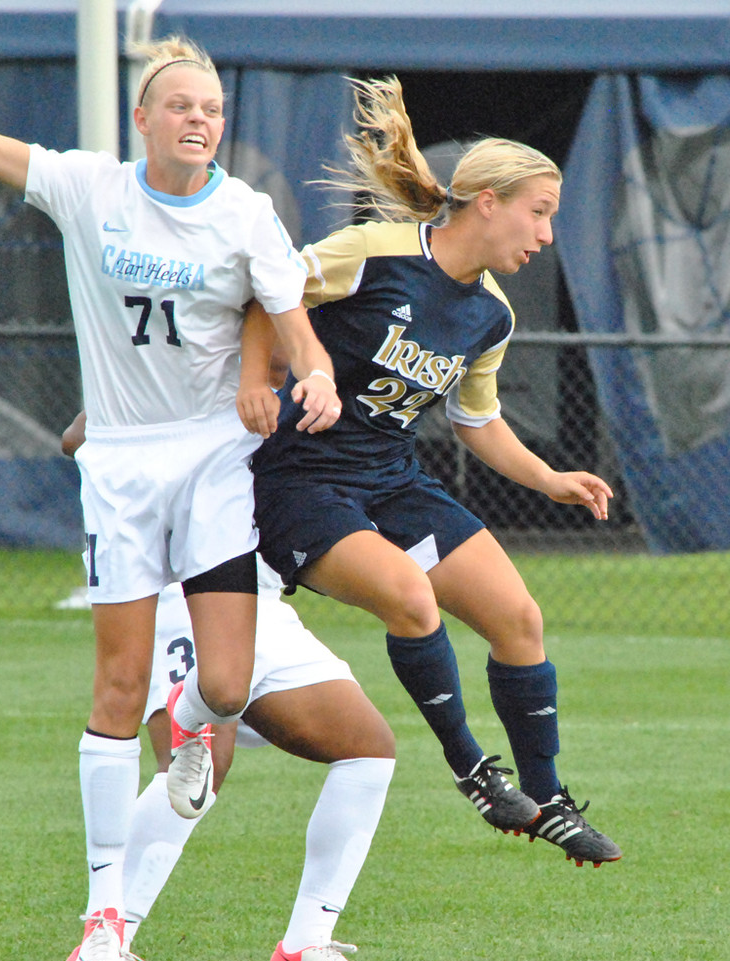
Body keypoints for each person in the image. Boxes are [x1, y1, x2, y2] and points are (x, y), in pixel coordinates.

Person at [0, 6, 341, 961]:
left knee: (231, 688)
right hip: (120, 465)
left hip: (213, 460)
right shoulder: (89, 187)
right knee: (117, 687)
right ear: (146, 118)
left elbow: (292, 319)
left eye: (212, 107)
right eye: (181, 105)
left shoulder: (244, 210)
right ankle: (102, 922)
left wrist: (314, 375)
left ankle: (193, 726)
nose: (200, 118)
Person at [250, 76, 621, 870]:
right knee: (412, 599)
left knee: (518, 618)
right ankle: (474, 773)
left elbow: (476, 420)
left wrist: (551, 477)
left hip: (391, 481)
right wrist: (263, 379)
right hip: (299, 482)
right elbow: (266, 294)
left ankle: (548, 801)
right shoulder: (375, 252)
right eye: (540, 212)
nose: (546, 236)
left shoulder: (492, 313)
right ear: (486, 201)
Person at [62, 408, 395, 961]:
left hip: (260, 595)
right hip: (184, 591)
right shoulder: (198, 369)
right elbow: (77, 437)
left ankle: (307, 943)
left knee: (368, 746)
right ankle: (106, 938)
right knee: (196, 770)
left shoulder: (308, 373)